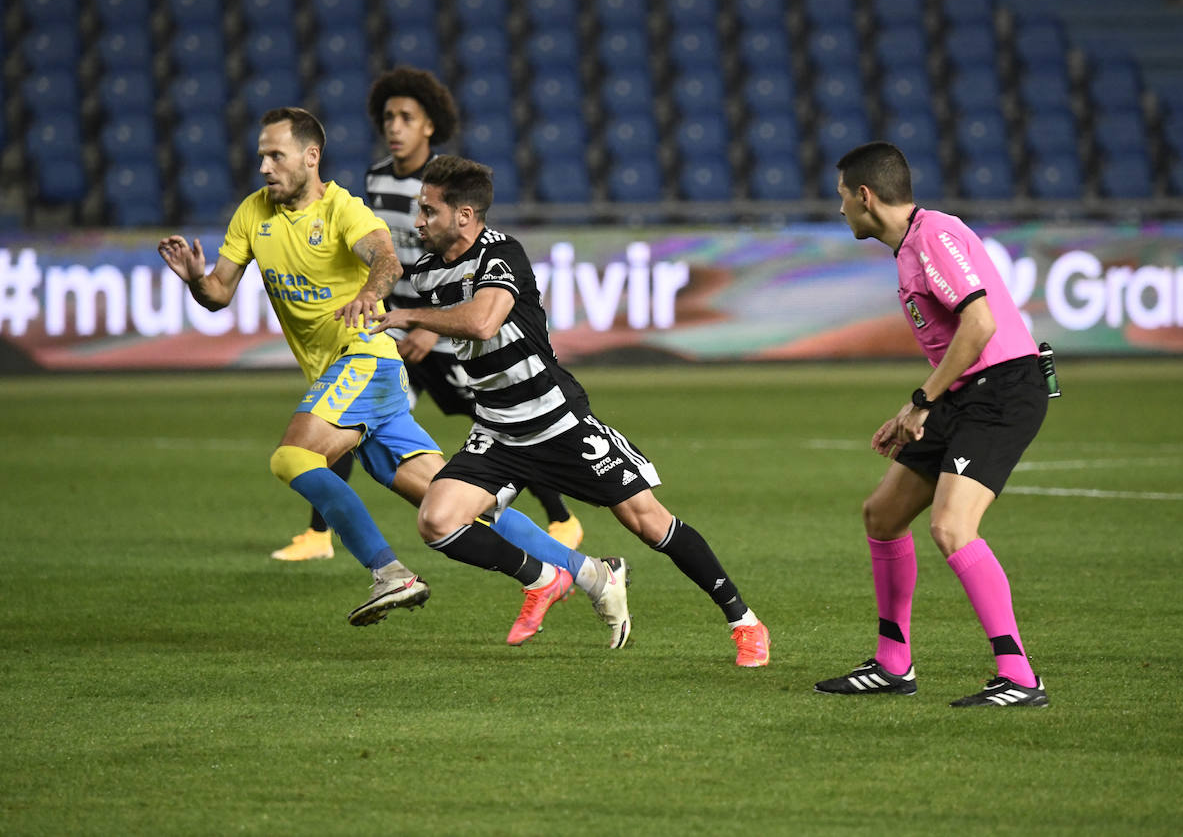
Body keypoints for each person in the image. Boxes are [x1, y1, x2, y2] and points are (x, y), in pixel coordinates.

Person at [157, 107, 629, 643]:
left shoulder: (343, 210)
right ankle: (593, 573)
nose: (264, 166)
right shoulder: (253, 212)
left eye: (275, 155)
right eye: (261, 156)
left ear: (310, 157)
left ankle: (390, 573)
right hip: (353, 374)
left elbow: (386, 260)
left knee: (293, 456)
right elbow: (219, 293)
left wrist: (369, 293)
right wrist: (196, 280)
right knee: (454, 499)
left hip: (364, 359)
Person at [367, 155, 771, 665]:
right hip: (498, 430)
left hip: (555, 420)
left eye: (428, 210)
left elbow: (484, 321)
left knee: (650, 523)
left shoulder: (502, 255)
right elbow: (438, 308)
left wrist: (410, 317)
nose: (418, 221)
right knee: (437, 520)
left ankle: (745, 621)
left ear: (464, 215)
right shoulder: (428, 272)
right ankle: (544, 578)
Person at [272, 67, 584, 562]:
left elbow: (467, 262)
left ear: (430, 125)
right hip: (394, 330)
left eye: (406, 117)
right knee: (353, 422)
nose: (394, 127)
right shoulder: (375, 178)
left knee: (497, 419)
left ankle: (561, 518)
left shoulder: (445, 183)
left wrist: (429, 330)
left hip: (440, 331)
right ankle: (318, 533)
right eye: (388, 118)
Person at [814, 141, 1050, 706]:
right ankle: (893, 663)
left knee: (951, 527)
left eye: (842, 196)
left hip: (1002, 389)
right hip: (966, 391)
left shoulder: (934, 236)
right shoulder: (911, 246)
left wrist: (921, 401)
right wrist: (918, 407)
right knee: (883, 515)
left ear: (865, 196)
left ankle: (1019, 676)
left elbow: (980, 324)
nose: (840, 208)